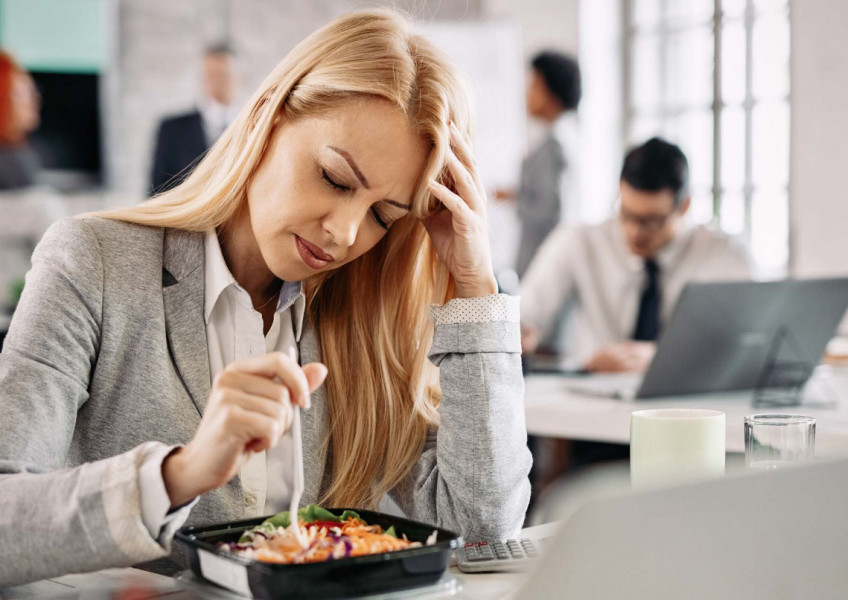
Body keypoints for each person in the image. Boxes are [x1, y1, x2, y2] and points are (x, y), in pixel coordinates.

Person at [0, 10, 531, 587]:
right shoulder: (93, 261)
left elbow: (482, 532)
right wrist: (177, 474)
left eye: (383, 214)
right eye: (334, 178)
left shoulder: (364, 316)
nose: (346, 233)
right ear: (269, 118)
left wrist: (476, 287)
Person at [520, 137, 755, 372]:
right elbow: (525, 316)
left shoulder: (723, 252)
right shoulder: (578, 241)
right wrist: (520, 333)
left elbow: (748, 340)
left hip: (691, 398)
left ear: (684, 206)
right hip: (596, 391)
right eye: (626, 214)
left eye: (650, 221)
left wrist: (664, 358)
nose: (634, 232)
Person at [496, 50, 581, 278]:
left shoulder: (556, 143)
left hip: (543, 266)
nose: (527, 94)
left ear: (552, 92)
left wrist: (519, 201)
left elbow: (551, 209)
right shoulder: (564, 135)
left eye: (534, 86)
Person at [149, 44, 240, 195]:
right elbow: (155, 192)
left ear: (238, 77)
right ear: (202, 78)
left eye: (224, 75)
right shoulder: (172, 129)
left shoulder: (255, 127)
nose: (218, 82)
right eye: (211, 74)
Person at [0, 51, 41, 190]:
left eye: (33, 92)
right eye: (22, 95)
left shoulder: (20, 154)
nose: (35, 100)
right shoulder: (9, 163)